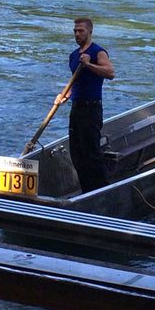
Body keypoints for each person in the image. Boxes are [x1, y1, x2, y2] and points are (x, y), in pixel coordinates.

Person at [57, 18, 115, 193]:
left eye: (81, 31)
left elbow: (110, 73)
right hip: (77, 108)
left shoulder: (98, 52)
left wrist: (89, 64)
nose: (77, 34)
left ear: (90, 32)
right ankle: (86, 190)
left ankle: (102, 190)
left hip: (92, 108)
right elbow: (77, 82)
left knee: (91, 153)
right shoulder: (74, 55)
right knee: (76, 152)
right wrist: (65, 94)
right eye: (75, 31)